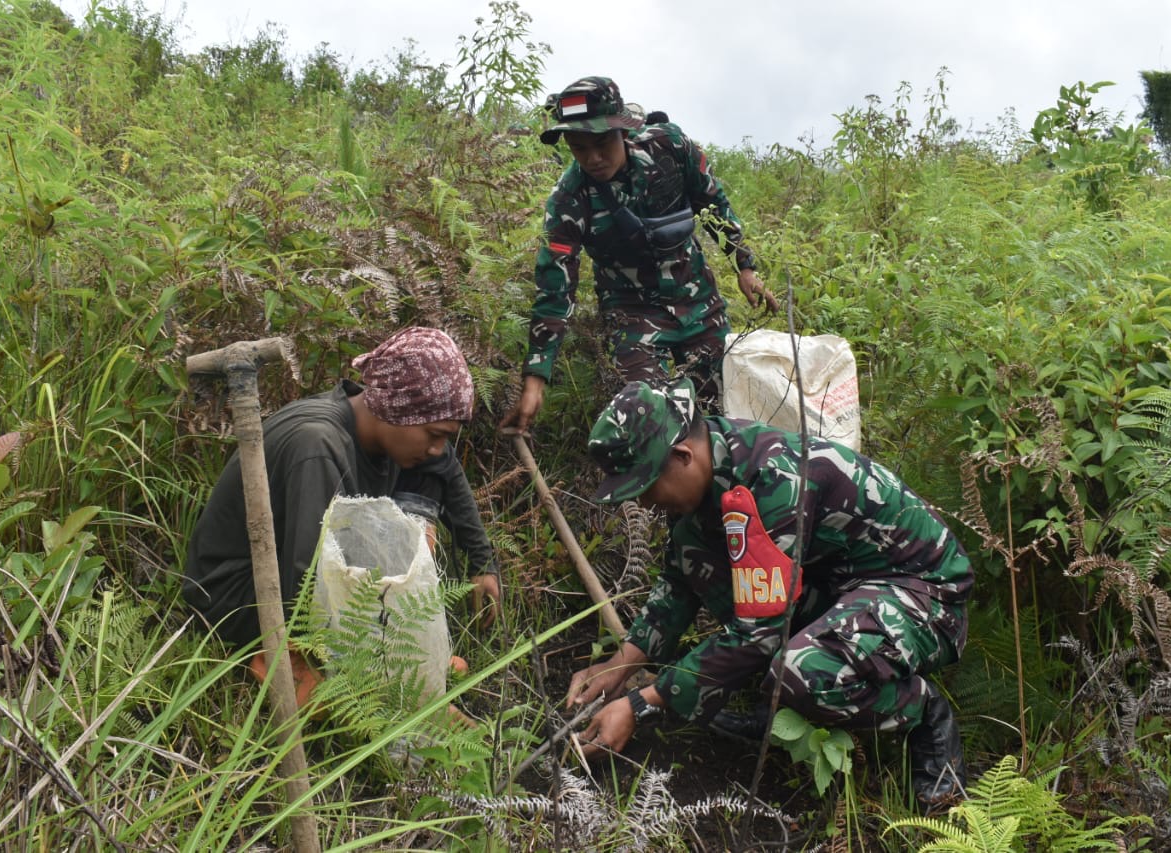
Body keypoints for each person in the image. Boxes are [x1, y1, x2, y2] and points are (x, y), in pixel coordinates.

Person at [567, 378, 973, 809]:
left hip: (923, 594)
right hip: (841, 588)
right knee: (696, 556)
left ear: (683, 456)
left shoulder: (774, 479)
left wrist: (640, 704)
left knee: (802, 671)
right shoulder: (711, 482)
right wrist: (620, 664)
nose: (646, 504)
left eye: (647, 487)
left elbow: (757, 632)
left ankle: (922, 712)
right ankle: (779, 702)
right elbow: (680, 583)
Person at [182, 327, 502, 698]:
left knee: (424, 481)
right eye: (434, 434)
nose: (437, 447)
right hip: (238, 596)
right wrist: (383, 676)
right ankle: (283, 661)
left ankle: (386, 662)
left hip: (291, 564)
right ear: (398, 408)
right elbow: (307, 577)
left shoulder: (377, 427)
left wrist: (483, 564)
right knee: (353, 696)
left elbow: (445, 469)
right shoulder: (319, 447)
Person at [500, 76, 778, 435]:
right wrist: (536, 378)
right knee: (646, 418)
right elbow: (555, 289)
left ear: (624, 132)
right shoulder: (570, 200)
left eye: (602, 144)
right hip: (631, 314)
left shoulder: (671, 148)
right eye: (579, 148)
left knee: (721, 418)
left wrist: (745, 266)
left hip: (698, 304)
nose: (593, 158)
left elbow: (713, 203)